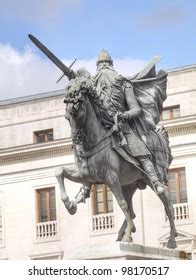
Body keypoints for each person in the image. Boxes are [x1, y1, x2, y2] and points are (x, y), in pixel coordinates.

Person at [93, 50, 165, 194]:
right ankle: (86, 187)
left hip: (122, 127)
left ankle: (155, 180)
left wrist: (123, 115)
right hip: (102, 128)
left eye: (105, 64)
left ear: (111, 66)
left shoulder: (124, 84)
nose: (104, 68)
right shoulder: (93, 87)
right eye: (101, 65)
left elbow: (136, 109)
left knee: (139, 149)